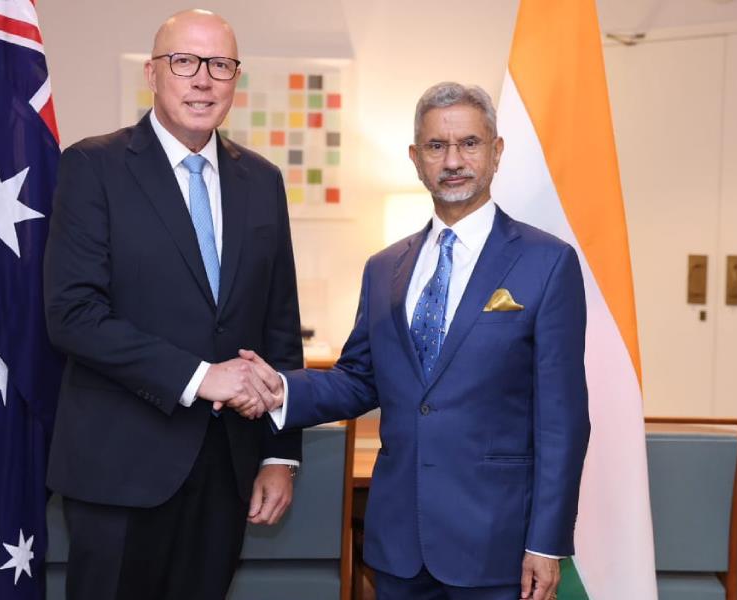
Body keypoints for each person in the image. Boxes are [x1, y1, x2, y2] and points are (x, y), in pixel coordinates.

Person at [247, 82, 590, 600]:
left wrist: (547, 542)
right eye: (436, 147)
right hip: (400, 546)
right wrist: (280, 390)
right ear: (416, 159)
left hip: (498, 545)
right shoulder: (385, 268)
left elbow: (564, 419)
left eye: (469, 144)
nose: (453, 160)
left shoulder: (548, 262)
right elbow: (360, 378)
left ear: (496, 152)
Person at [41, 9, 302, 600]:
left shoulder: (261, 181)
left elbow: (280, 328)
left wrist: (281, 457)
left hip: (227, 469)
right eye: (184, 62)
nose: (203, 79)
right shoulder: (93, 166)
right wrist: (199, 377)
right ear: (153, 74)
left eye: (220, 65)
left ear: (236, 78)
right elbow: (72, 315)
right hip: (119, 467)